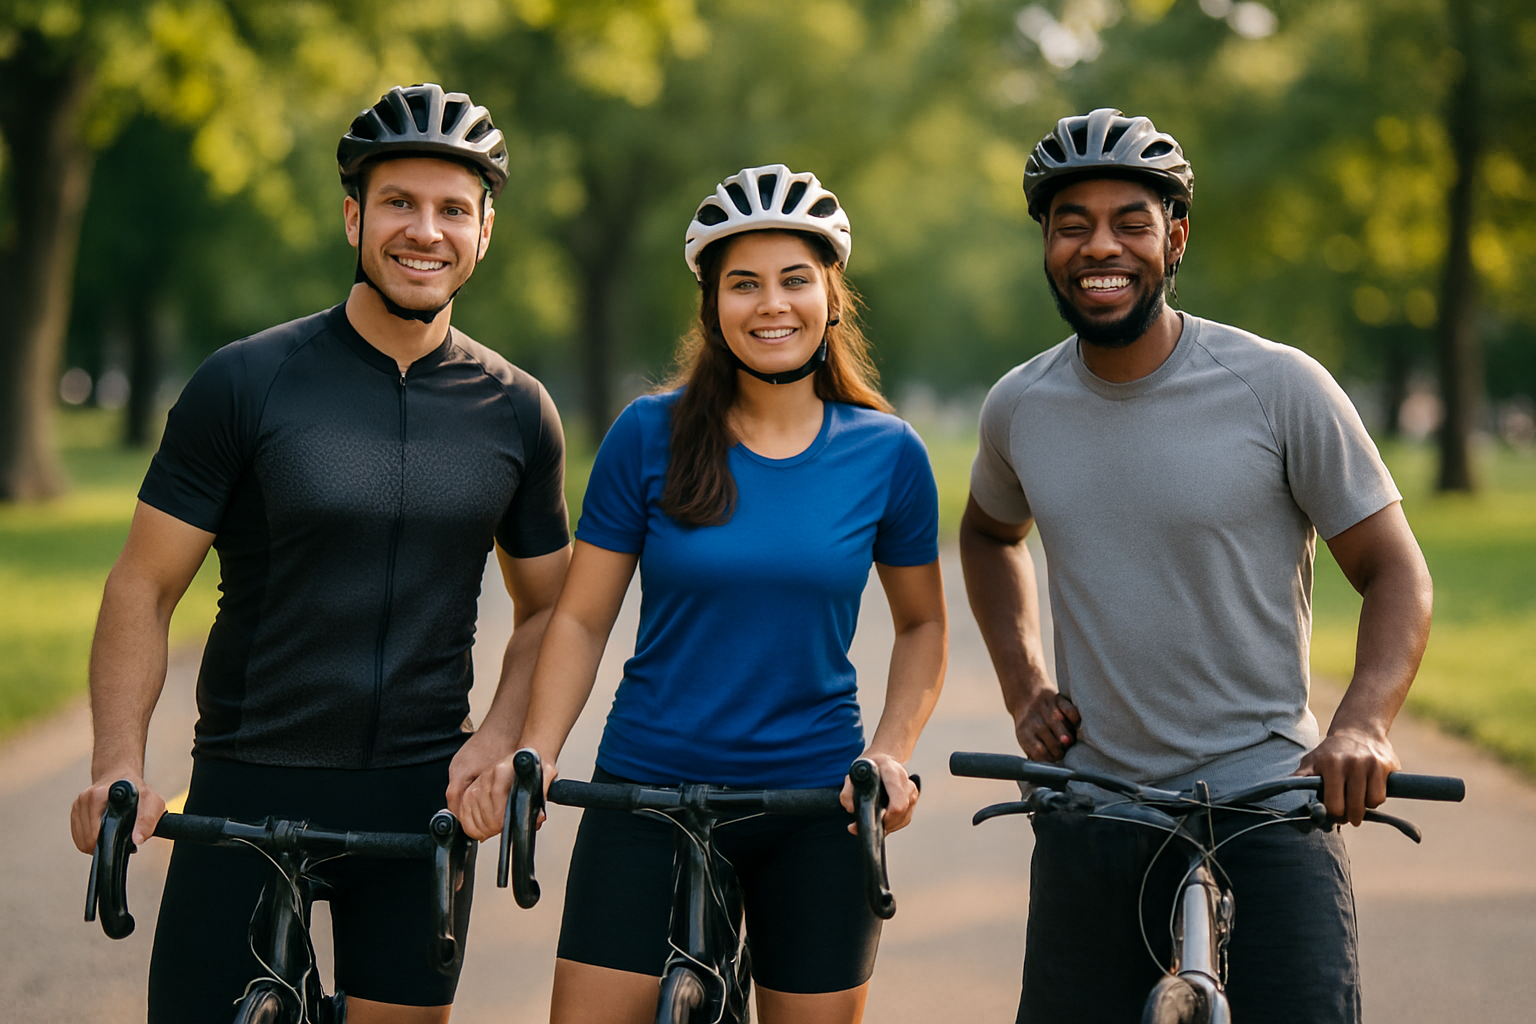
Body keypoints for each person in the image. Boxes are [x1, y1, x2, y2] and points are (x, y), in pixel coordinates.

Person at [67, 83, 572, 1024]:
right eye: (399, 204)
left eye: (452, 210)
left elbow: (551, 607)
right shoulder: (247, 381)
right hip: (249, 783)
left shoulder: (518, 410)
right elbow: (144, 583)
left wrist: (502, 736)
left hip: (418, 798)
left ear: (485, 231)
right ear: (353, 217)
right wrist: (116, 761)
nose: (425, 231)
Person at [959, 108, 1433, 1024]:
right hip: (1093, 800)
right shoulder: (1020, 405)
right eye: (1072, 224)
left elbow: (1394, 571)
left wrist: (1363, 724)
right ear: (1047, 247)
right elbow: (987, 535)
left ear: (1173, 238)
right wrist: (1025, 686)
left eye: (1130, 221)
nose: (1102, 246)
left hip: (1268, 801)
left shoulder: (1278, 385)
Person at [461, 164, 947, 1024]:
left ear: (831, 297)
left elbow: (922, 627)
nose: (772, 305)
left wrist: (891, 750)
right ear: (713, 306)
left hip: (815, 805)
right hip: (646, 791)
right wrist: (536, 747)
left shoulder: (888, 453)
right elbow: (579, 616)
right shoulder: (647, 435)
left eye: (796, 280)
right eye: (744, 284)